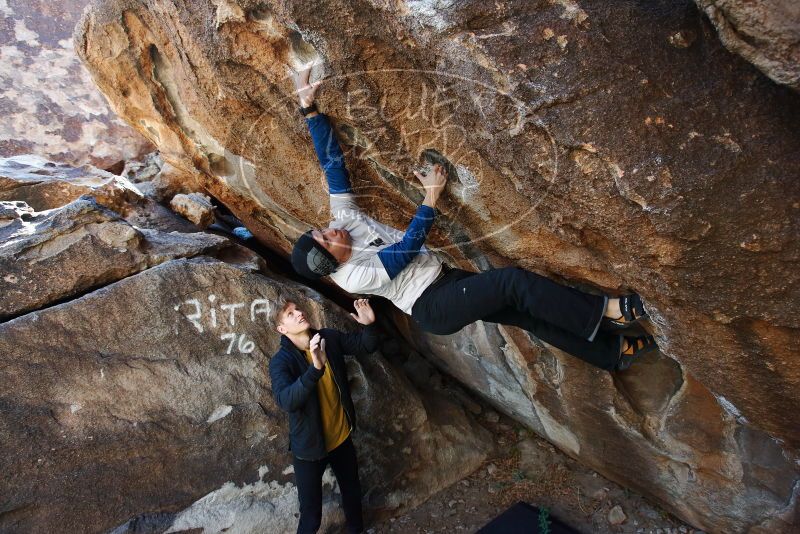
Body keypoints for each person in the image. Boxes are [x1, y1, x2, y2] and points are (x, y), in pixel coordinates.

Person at [288, 65, 656, 372]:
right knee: (512, 283)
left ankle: (611, 353)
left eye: (321, 230)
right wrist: (430, 197)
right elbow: (406, 249)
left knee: (525, 314)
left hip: (446, 279)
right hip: (432, 306)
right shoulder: (353, 278)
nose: (331, 229)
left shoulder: (344, 220)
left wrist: (309, 109)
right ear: (330, 262)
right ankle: (609, 311)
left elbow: (332, 164)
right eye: (326, 239)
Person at [269, 297, 379, 534]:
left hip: (341, 438)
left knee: (352, 493)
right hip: (309, 449)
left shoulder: (328, 338)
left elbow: (366, 346)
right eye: (290, 314)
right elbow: (286, 400)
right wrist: (315, 369)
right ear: (282, 329)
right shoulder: (281, 361)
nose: (299, 313)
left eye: (298, 309)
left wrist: (369, 325)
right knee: (311, 516)